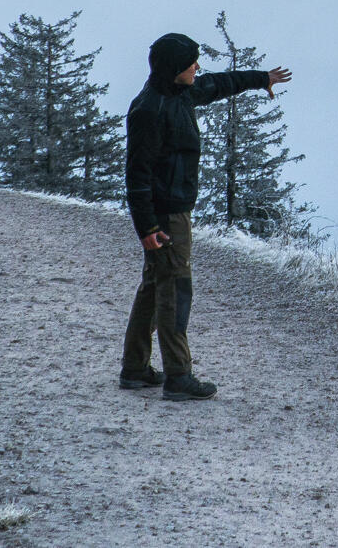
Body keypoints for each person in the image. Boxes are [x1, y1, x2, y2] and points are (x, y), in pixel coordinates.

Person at [119, 32, 291, 401]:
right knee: (175, 289)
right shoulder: (149, 109)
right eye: (191, 63)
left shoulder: (182, 93)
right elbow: (137, 175)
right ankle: (178, 376)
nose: (197, 67)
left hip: (171, 212)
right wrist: (147, 226)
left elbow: (220, 83)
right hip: (166, 216)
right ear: (173, 69)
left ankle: (134, 368)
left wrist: (262, 79)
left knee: (154, 285)